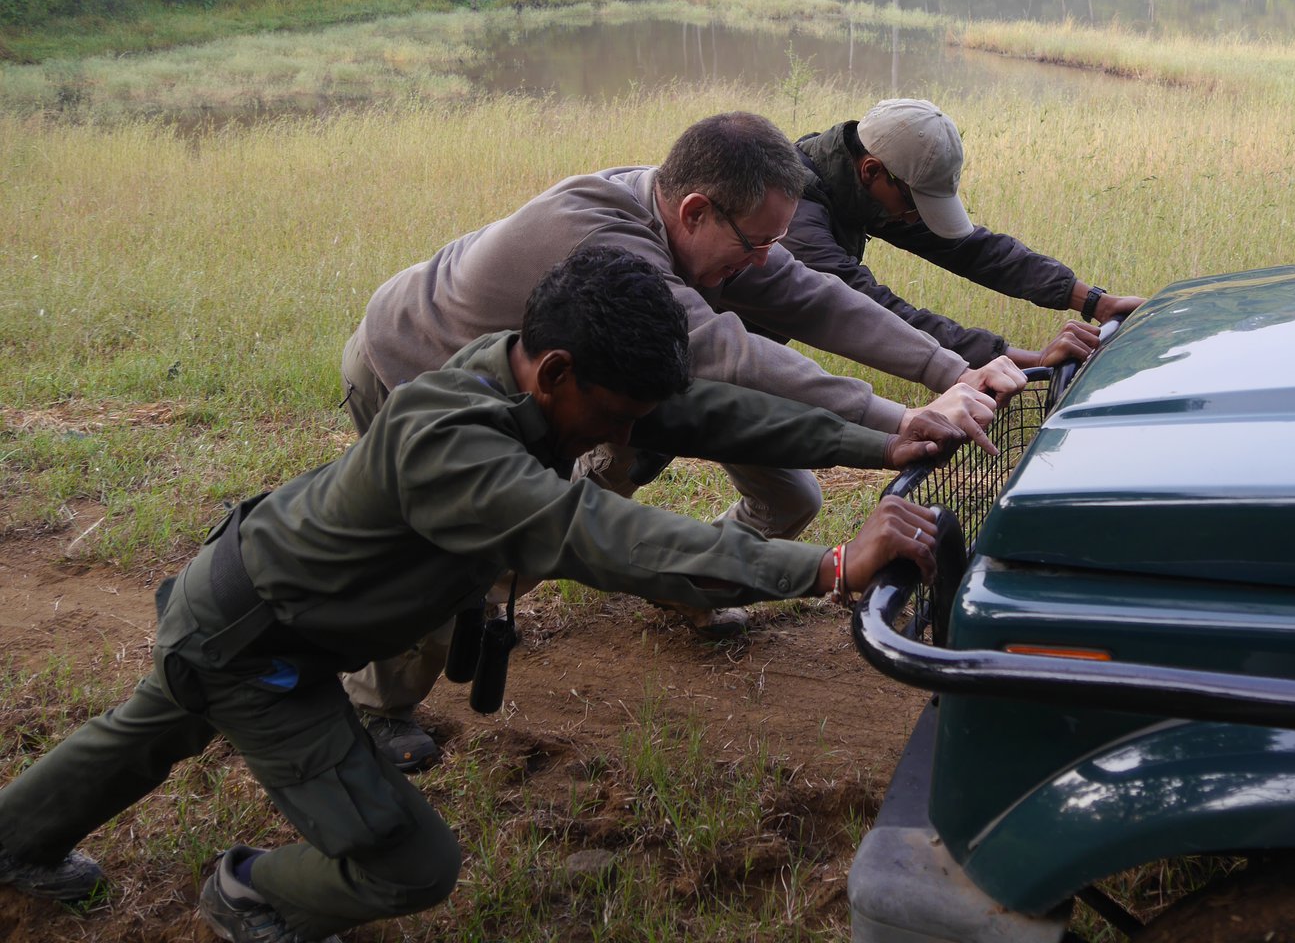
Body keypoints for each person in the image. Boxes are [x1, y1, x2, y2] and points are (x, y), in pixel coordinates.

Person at [0, 247, 952, 943]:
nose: (626, 435)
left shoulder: (526, 367)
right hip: (256, 647)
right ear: (559, 373)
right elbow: (599, 536)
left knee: (148, 728)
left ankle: (13, 839)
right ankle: (251, 892)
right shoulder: (446, 440)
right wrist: (822, 567)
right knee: (410, 864)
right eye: (617, 418)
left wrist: (881, 439)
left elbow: (702, 409)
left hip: (246, 598)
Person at [339, 110, 1024, 767]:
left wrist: (951, 371)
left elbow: (810, 296)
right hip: (418, 362)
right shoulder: (604, 239)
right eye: (754, 244)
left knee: (788, 495)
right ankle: (375, 706)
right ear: (696, 211)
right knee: (461, 549)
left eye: (773, 244)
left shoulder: (698, 215)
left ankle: (681, 585)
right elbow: (725, 354)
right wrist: (898, 419)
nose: (764, 262)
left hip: (584, 381)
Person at [786, 98, 1146, 368]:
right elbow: (872, 311)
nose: (913, 219)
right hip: (735, 359)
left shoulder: (851, 181)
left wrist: (1094, 301)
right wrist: (1021, 359)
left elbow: (971, 250)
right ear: (872, 171)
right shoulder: (793, 212)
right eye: (914, 204)